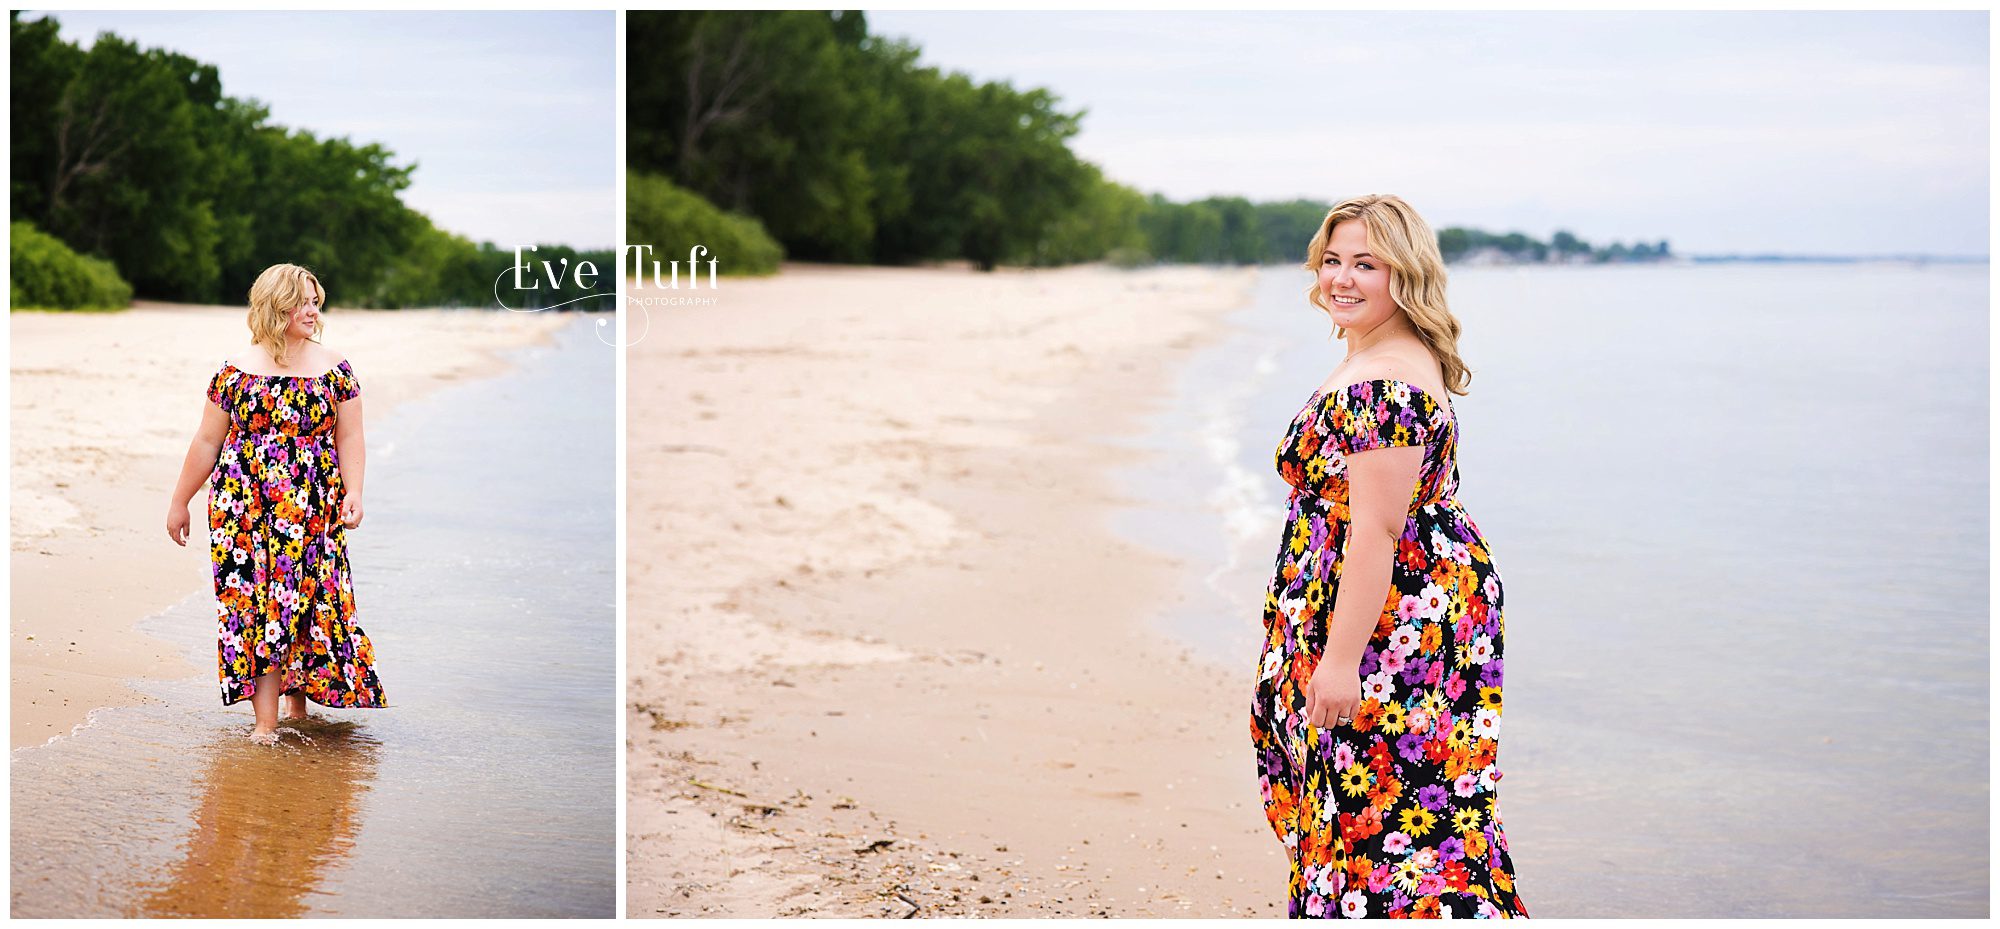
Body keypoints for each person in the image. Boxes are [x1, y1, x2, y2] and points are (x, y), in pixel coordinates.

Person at [1249, 195, 1528, 918]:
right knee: (1390, 806)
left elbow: (1375, 531)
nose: (1342, 277)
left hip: (1394, 618)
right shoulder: (1377, 353)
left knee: (1390, 814)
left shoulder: (1384, 383)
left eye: (1365, 264)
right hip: (1397, 600)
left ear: (1404, 274)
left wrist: (1340, 661)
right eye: (1334, 260)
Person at [166, 263, 387, 745]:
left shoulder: (336, 368)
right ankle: (265, 725)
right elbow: (207, 441)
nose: (314, 310)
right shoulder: (235, 371)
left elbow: (350, 437)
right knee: (254, 607)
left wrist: (354, 492)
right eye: (304, 302)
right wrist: (180, 501)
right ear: (276, 306)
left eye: (316, 301)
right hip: (241, 509)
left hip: (313, 507)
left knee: (306, 604)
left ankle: (297, 708)